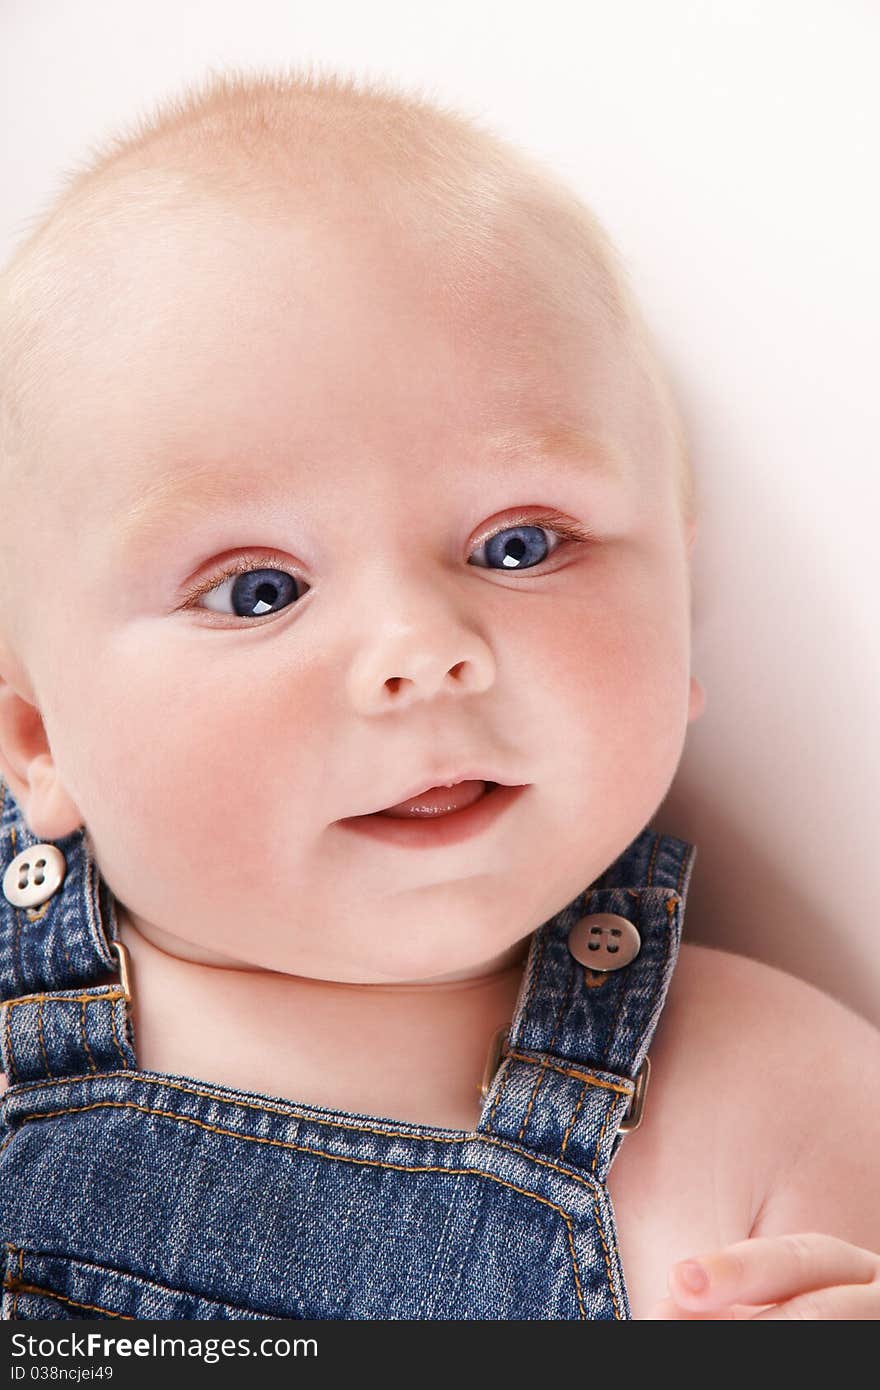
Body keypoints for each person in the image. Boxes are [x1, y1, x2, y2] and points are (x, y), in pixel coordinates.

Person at [0, 67, 878, 1322]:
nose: (421, 648)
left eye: (518, 544)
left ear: (679, 606)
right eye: (260, 589)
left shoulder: (777, 1096)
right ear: (38, 740)